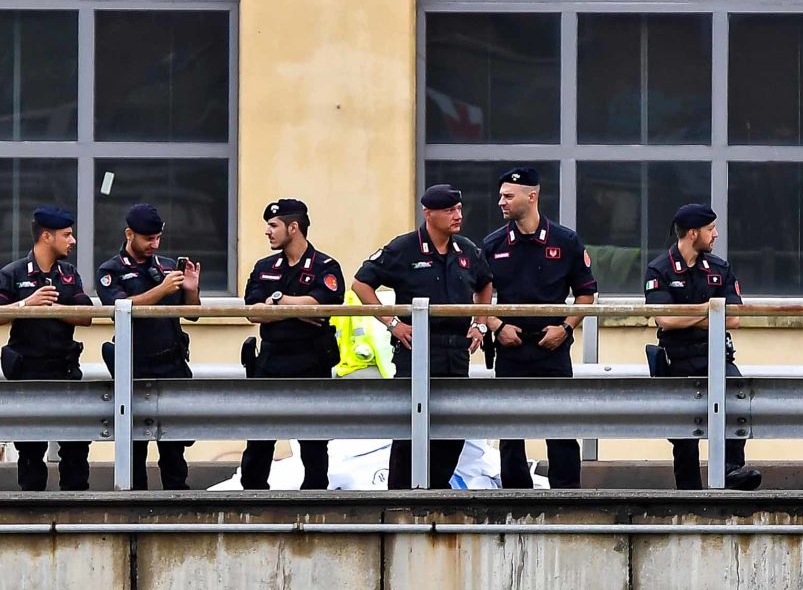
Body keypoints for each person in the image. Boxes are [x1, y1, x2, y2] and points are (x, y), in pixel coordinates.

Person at [353, 184, 493, 489]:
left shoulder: (466, 250)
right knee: (410, 429)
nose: (457, 216)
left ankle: (436, 490)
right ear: (429, 214)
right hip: (416, 350)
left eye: (458, 209)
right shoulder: (404, 249)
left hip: (456, 351)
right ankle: (401, 497)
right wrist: (393, 323)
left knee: (452, 428)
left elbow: (485, 284)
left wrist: (480, 324)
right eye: (449, 211)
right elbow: (361, 284)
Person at [480, 166, 598, 489]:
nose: (501, 202)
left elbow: (587, 294)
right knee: (510, 431)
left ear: (531, 196)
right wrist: (496, 325)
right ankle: (515, 498)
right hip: (510, 348)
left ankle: (567, 497)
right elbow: (476, 298)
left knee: (560, 426)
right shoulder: (493, 245)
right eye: (501, 195)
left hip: (553, 348)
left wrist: (566, 327)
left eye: (508, 196)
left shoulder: (565, 241)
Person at [644, 203, 762, 491]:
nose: (716, 235)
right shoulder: (659, 269)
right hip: (678, 360)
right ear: (693, 233)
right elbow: (666, 320)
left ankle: (732, 471)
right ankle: (688, 494)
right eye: (710, 230)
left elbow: (733, 319)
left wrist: (693, 314)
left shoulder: (720, 268)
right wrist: (711, 310)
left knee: (737, 399)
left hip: (716, 356)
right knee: (684, 433)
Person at [0, 205, 94, 492]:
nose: (73, 241)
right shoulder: (13, 272)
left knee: (76, 446)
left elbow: (86, 316)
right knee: (31, 449)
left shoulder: (69, 274)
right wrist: (27, 305)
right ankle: (33, 515)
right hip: (28, 371)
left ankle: (77, 513)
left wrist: (53, 308)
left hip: (64, 369)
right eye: (67, 235)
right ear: (47, 236)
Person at [239, 198, 345, 490]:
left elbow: (322, 305)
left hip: (310, 362)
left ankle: (313, 500)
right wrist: (295, 309)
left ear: (293, 227)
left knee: (313, 441)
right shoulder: (264, 267)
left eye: (273, 226)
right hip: (271, 363)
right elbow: (252, 312)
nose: (268, 232)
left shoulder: (325, 265)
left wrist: (277, 301)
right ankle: (253, 498)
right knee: (260, 439)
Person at [95, 203, 200, 491]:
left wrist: (191, 289)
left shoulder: (165, 267)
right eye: (147, 239)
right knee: (135, 446)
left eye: (157, 238)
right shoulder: (111, 270)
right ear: (129, 234)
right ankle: (135, 506)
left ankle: (177, 505)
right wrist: (162, 290)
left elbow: (192, 313)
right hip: (135, 365)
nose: (154, 244)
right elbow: (120, 307)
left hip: (171, 363)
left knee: (174, 447)